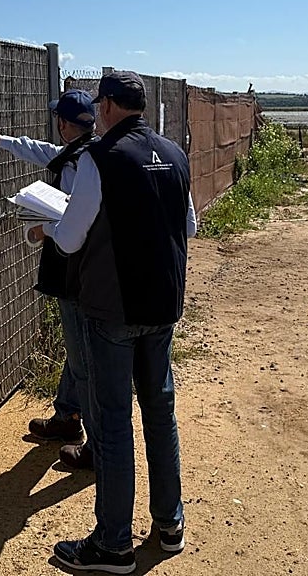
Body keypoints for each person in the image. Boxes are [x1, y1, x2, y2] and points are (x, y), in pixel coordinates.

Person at [33, 71, 197, 574]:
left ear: (105, 107)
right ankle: (170, 525)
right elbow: (188, 224)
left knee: (111, 420)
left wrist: (45, 229)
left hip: (115, 307)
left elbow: (71, 238)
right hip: (163, 304)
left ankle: (113, 544)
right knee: (159, 411)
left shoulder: (100, 158)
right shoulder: (174, 153)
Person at [0, 89, 99, 470]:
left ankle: (96, 445)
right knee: (77, 349)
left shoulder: (82, 163)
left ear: (65, 123)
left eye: (58, 119)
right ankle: (67, 418)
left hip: (74, 267)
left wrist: (43, 227)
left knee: (83, 357)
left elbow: (80, 221)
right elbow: (42, 151)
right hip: (79, 267)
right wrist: (1, 141)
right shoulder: (80, 153)